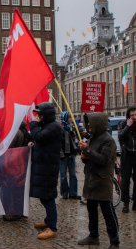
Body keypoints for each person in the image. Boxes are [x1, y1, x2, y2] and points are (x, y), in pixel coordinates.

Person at [78, 113, 119, 249]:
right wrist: (84, 155)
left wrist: (87, 150)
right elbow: (90, 158)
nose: (88, 125)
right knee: (91, 209)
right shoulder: (93, 138)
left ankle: (114, 241)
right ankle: (93, 236)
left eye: (90, 122)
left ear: (98, 123)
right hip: (91, 179)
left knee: (107, 211)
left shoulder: (108, 141)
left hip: (102, 181)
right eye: (87, 122)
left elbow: (103, 160)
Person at [29, 102, 61, 240]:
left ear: (46, 115)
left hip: (48, 169)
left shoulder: (53, 127)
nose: (38, 117)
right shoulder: (48, 126)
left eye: (40, 114)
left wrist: (34, 125)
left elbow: (40, 137)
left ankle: (52, 228)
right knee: (44, 196)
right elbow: (41, 141)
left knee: (48, 198)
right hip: (44, 167)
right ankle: (48, 221)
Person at [118, 106, 136, 213]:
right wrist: (128, 127)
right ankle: (126, 203)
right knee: (125, 181)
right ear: (128, 115)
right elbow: (120, 136)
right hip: (127, 155)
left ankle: (135, 201)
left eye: (135, 114)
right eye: (132, 115)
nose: (134, 117)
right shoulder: (123, 124)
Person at [59, 111, 80, 200]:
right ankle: (64, 193)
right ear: (65, 118)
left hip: (71, 155)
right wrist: (61, 154)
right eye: (69, 117)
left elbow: (75, 141)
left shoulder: (72, 128)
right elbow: (58, 143)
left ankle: (73, 193)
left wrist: (73, 132)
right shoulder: (60, 128)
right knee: (63, 176)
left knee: (73, 175)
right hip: (63, 156)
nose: (71, 119)